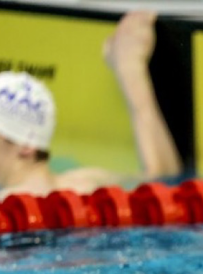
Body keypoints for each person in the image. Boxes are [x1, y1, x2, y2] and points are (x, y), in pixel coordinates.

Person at [0, 11, 181, 201]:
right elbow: (163, 178)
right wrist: (130, 68)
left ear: (26, 146)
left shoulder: (6, 205)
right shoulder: (89, 182)